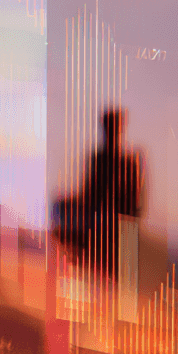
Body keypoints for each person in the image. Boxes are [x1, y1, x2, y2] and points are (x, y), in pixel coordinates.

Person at [56, 107, 143, 278]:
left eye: (112, 126)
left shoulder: (128, 162)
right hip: (99, 218)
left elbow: (134, 204)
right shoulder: (100, 159)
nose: (109, 131)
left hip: (113, 222)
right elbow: (89, 194)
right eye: (108, 126)